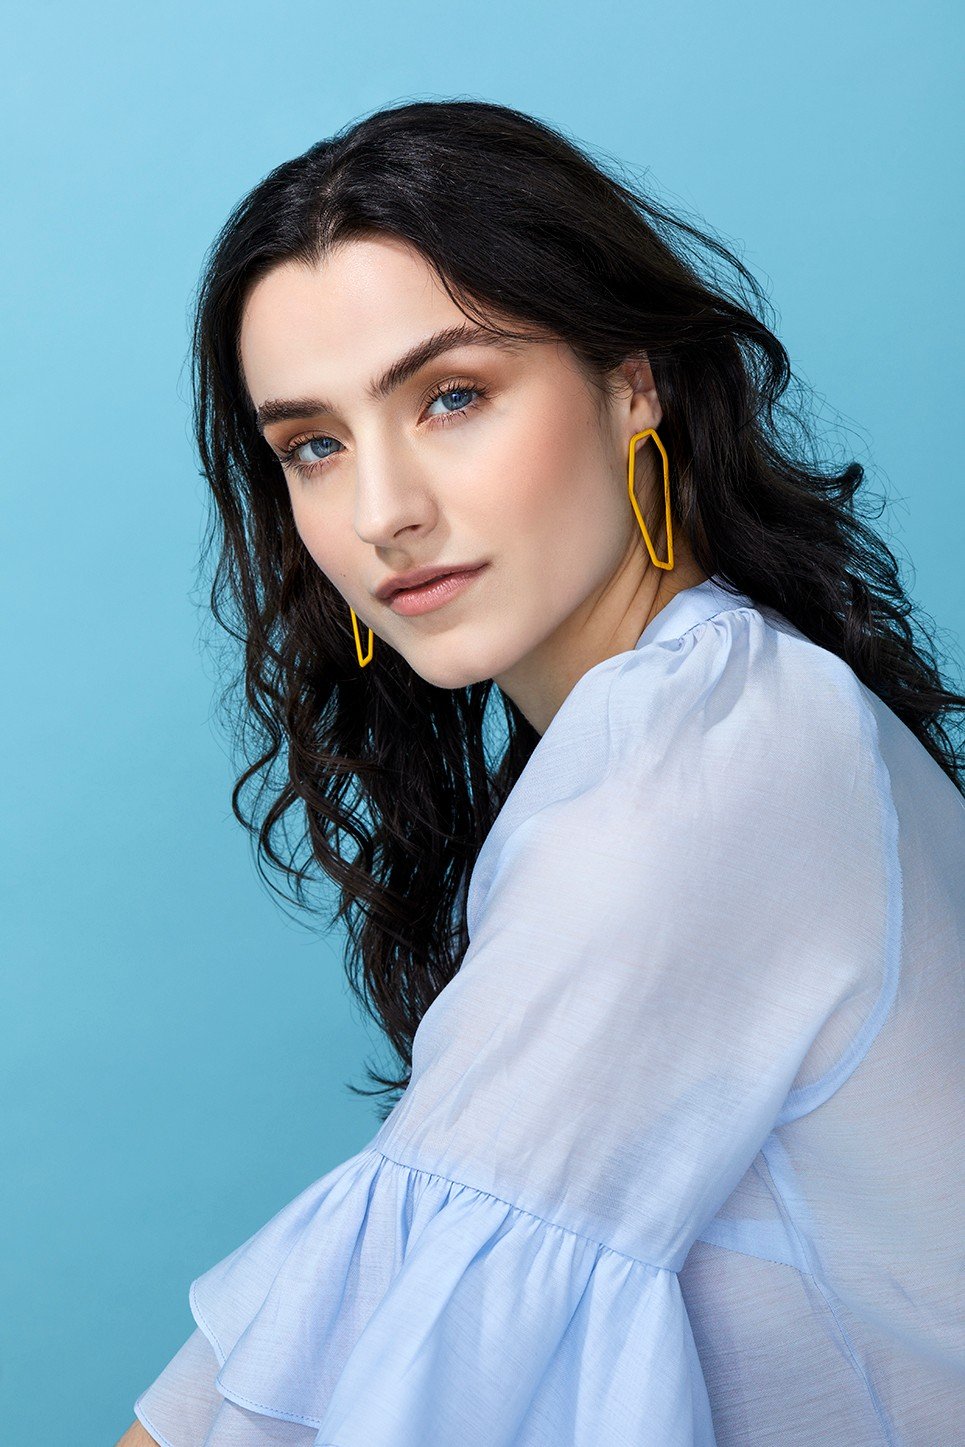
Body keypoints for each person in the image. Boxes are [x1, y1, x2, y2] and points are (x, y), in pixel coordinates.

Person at [117, 99, 965, 1446]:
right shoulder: (721, 705)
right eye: (313, 447)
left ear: (632, 386)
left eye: (451, 396)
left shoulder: (702, 768)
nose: (383, 509)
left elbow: (350, 1372)